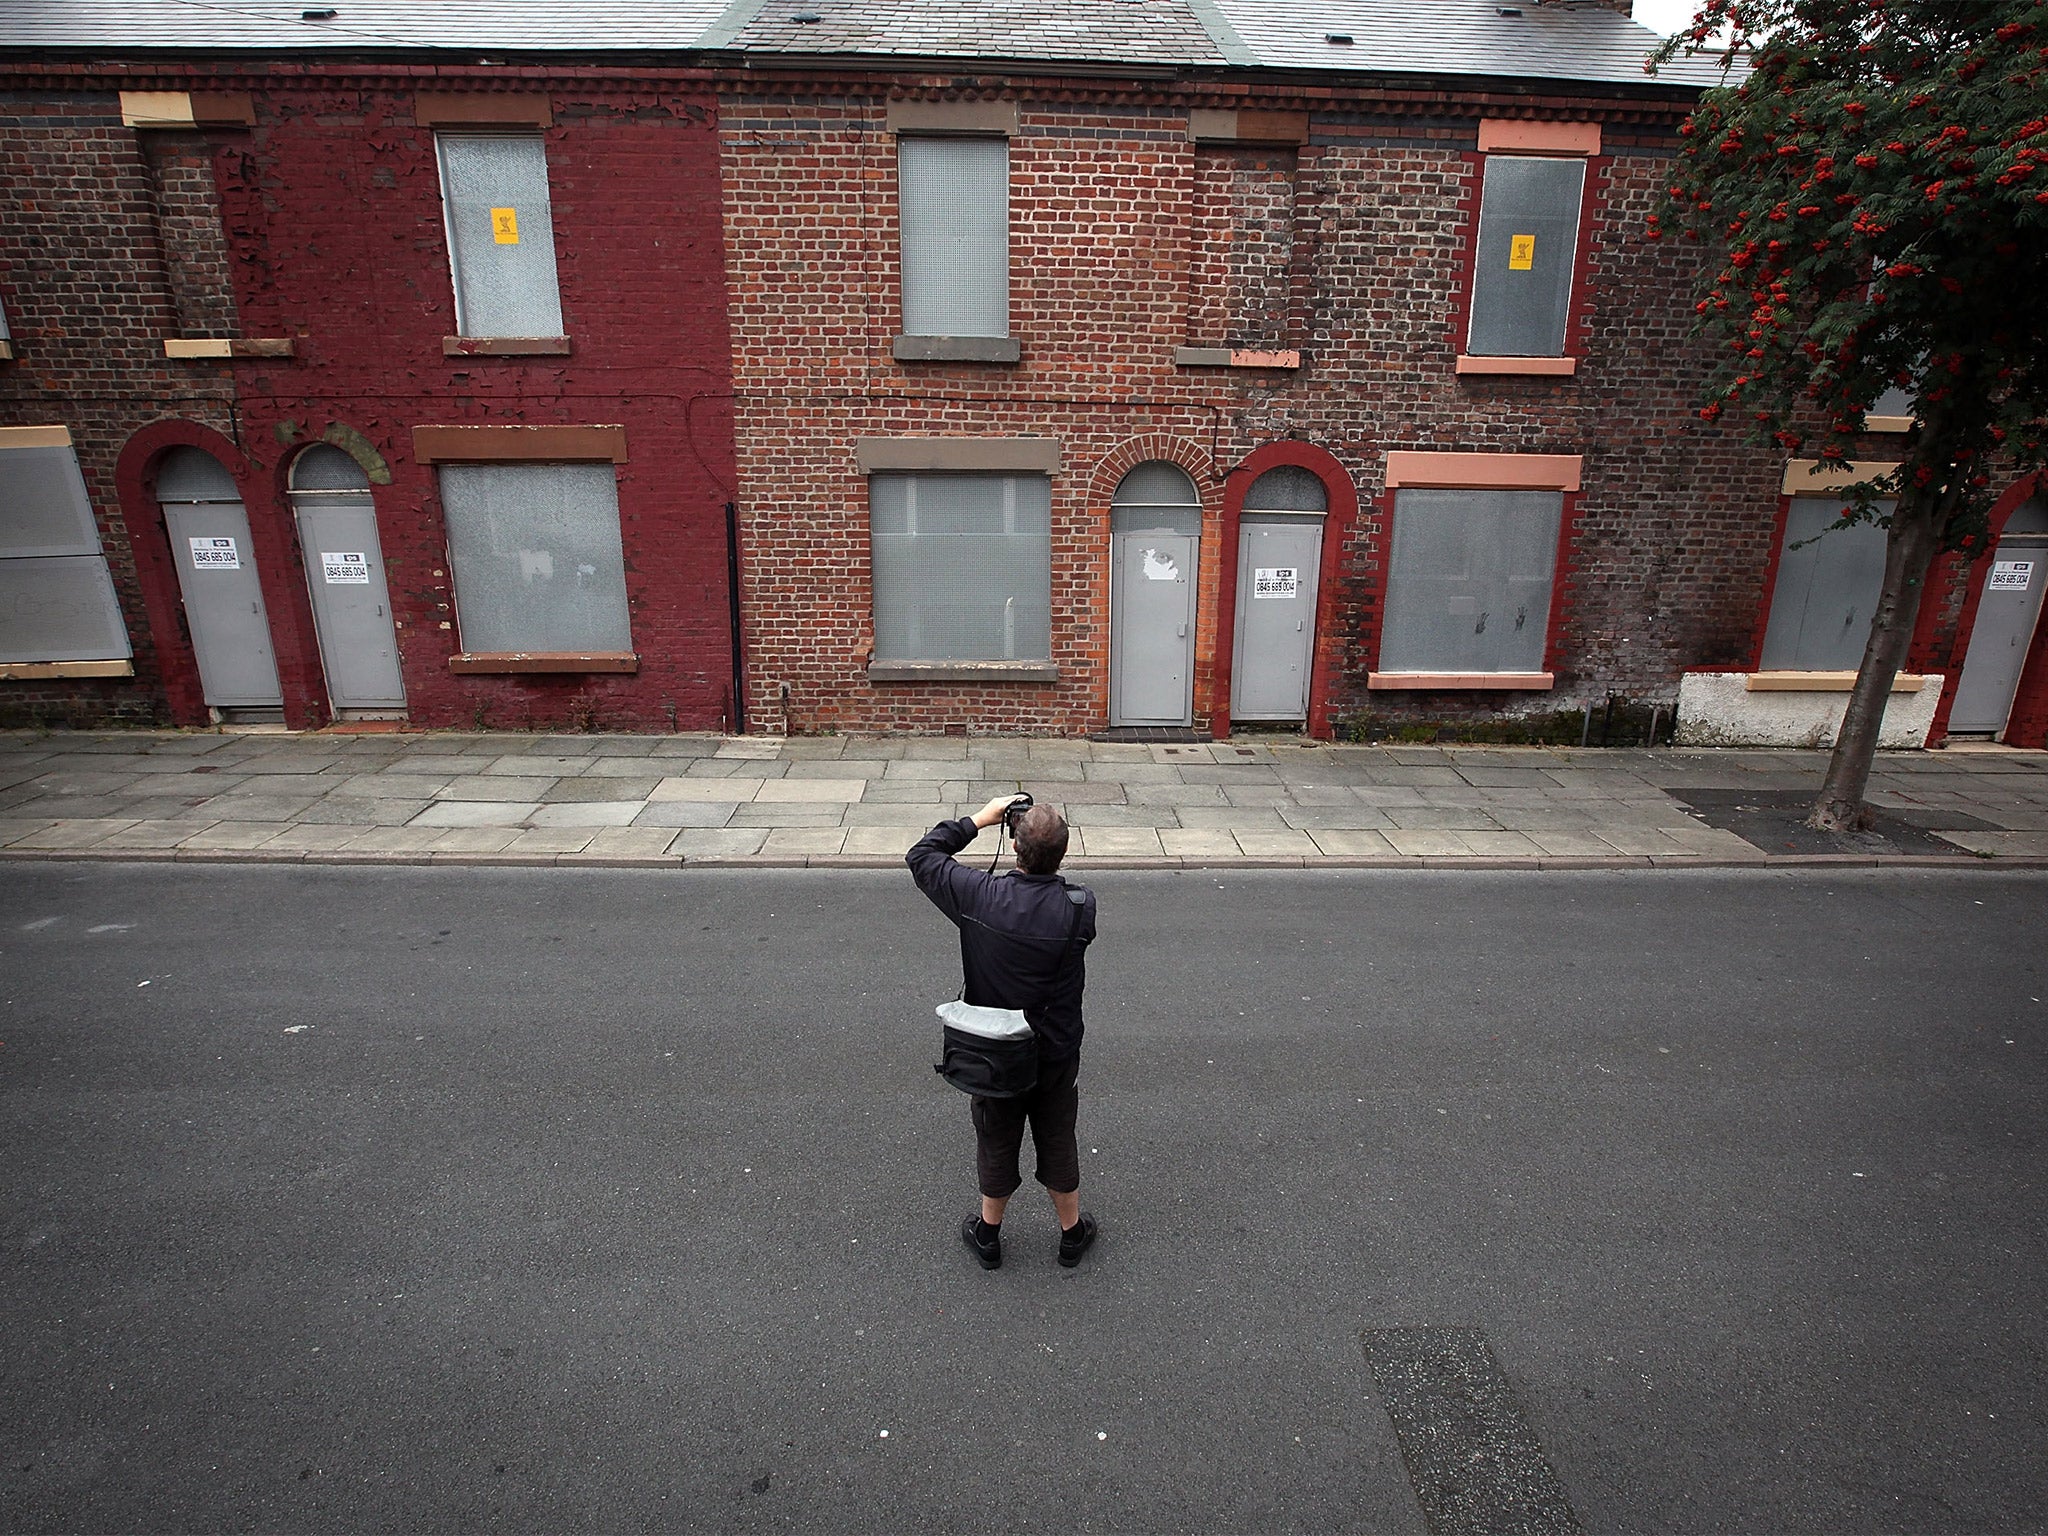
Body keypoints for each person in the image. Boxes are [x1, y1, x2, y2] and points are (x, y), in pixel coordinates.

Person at [907, 792, 1099, 1271]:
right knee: (1057, 1135)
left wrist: (979, 818)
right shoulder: (1080, 906)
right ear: (1063, 853)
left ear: (1013, 846)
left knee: (996, 1137)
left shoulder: (979, 897)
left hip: (995, 1053)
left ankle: (989, 1235)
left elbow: (922, 856)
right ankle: (1072, 1235)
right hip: (1054, 1051)